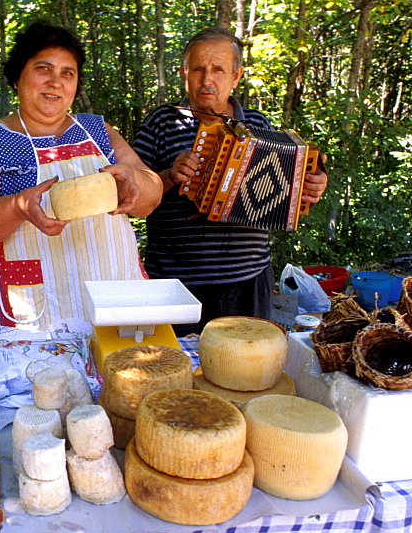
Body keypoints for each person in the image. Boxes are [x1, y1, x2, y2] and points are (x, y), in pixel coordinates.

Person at [0, 21, 163, 330]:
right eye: (43, 69)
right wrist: (17, 208)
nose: (56, 82)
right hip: (32, 308)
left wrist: (135, 180)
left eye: (67, 73)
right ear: (18, 76)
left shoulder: (97, 130)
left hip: (113, 296)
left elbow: (150, 196)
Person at [133, 27, 328, 333]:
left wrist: (312, 186)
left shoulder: (258, 124)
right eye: (198, 69)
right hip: (174, 284)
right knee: (176, 372)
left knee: (244, 370)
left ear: (236, 76)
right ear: (184, 72)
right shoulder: (160, 122)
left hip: (248, 283)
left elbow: (289, 190)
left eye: (218, 70)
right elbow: (131, 200)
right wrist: (169, 175)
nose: (207, 80)